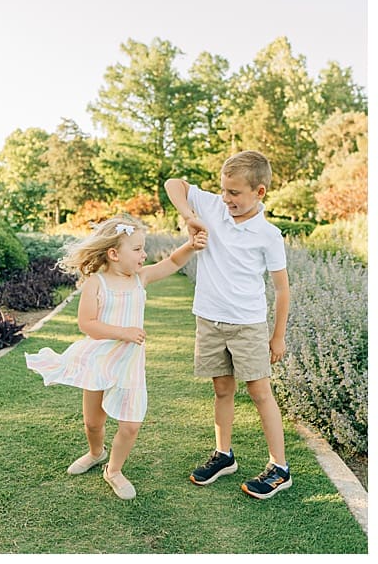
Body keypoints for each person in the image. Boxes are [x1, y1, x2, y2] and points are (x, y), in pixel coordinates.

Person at [25, 215, 205, 499]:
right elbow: (87, 324)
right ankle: (96, 452)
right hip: (99, 361)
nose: (144, 254)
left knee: (131, 425)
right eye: (137, 249)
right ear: (113, 254)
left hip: (129, 365)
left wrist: (191, 246)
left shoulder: (140, 279)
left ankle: (114, 470)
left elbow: (172, 262)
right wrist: (123, 332)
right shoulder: (96, 283)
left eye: (143, 248)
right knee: (93, 422)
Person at [165, 151, 292, 499]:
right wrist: (190, 217)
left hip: (247, 325)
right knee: (222, 389)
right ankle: (224, 455)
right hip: (209, 319)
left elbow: (282, 289)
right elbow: (173, 184)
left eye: (234, 192)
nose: (226, 198)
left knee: (260, 392)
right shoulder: (212, 208)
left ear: (259, 192)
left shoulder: (268, 235)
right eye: (223, 190)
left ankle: (280, 468)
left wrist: (278, 335)